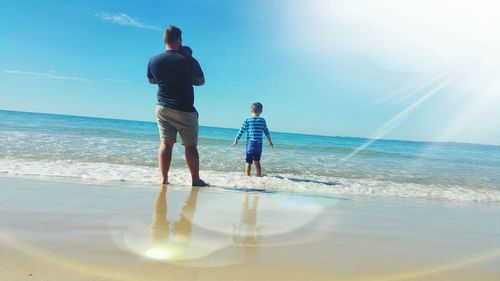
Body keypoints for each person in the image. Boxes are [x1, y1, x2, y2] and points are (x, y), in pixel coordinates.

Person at [147, 25, 208, 186]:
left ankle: (164, 179)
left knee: (166, 144)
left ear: (164, 40)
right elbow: (201, 82)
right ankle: (195, 180)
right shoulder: (189, 60)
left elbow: (151, 81)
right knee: (190, 146)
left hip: (163, 107)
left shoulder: (154, 60)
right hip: (185, 109)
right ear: (179, 40)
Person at [231, 102, 273, 177]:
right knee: (257, 162)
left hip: (250, 144)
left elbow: (241, 130)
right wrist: (270, 141)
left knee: (248, 162)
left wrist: (236, 140)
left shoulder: (247, 120)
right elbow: (266, 131)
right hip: (259, 145)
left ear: (251, 111)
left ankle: (247, 178)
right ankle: (258, 177)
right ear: (261, 112)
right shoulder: (262, 120)